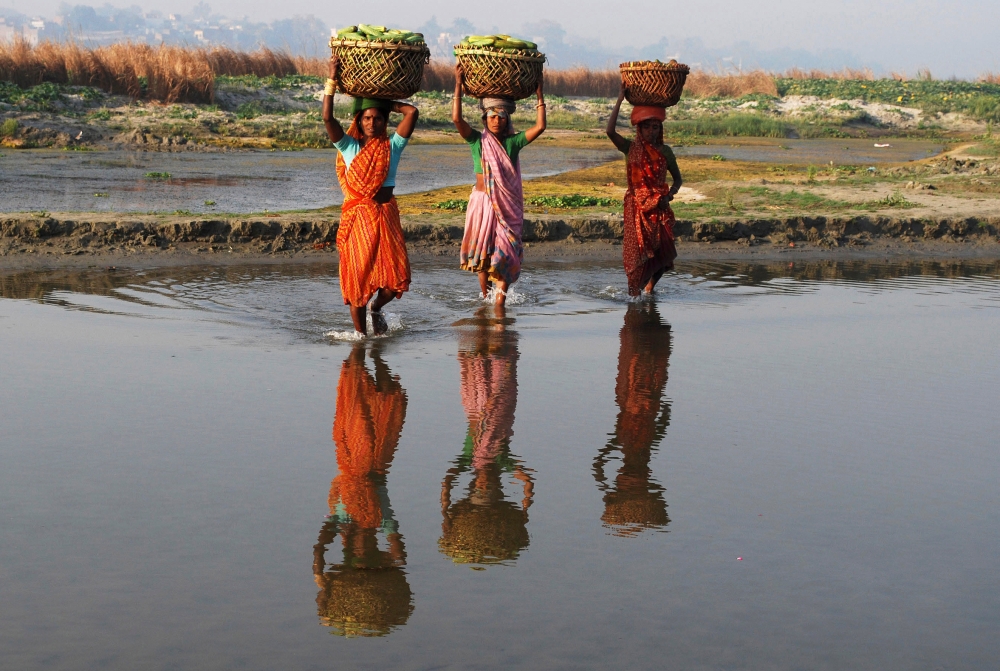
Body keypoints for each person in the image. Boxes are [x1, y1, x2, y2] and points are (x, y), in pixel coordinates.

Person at [312, 344, 413, 636]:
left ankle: (357, 358)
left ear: (348, 553)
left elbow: (318, 549)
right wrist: (390, 565)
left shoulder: (342, 520)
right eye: (366, 551)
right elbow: (400, 552)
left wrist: (322, 580)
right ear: (373, 549)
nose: (360, 547)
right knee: (386, 402)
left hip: (350, 460)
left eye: (356, 552)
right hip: (376, 461)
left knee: (356, 408)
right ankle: (374, 355)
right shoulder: (380, 519)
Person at [323, 55, 419, 335]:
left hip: (386, 215)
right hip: (358, 219)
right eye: (367, 117)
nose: (372, 122)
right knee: (358, 279)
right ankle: (361, 336)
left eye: (378, 118)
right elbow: (327, 118)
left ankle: (376, 308)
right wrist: (331, 79)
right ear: (359, 120)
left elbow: (411, 113)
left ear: (385, 121)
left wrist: (384, 101)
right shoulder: (349, 147)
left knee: (396, 280)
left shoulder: (393, 146)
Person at [439, 306, 534, 566]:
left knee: (476, 368)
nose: (483, 484)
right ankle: (496, 319)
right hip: (501, 409)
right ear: (496, 487)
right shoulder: (502, 461)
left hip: (474, 407)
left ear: (472, 487)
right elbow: (528, 481)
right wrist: (525, 511)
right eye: (488, 488)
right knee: (501, 371)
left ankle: (482, 320)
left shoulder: (469, 459)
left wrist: (446, 514)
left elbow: (447, 480)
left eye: (478, 488)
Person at [451, 65, 547, 304]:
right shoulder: (477, 141)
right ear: (485, 119)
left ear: (506, 120)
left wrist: (539, 95)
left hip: (505, 207)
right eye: (491, 116)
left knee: (504, 251)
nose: (495, 120)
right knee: (483, 252)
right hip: (482, 204)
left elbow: (540, 127)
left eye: (500, 117)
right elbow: (456, 119)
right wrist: (458, 85)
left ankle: (499, 302)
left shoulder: (512, 144)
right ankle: (485, 297)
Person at [593, 303, 672, 537]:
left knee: (640, 365)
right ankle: (645, 318)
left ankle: (644, 319)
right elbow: (597, 466)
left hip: (639, 404)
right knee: (640, 365)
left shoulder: (631, 449)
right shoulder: (634, 451)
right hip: (641, 405)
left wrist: (607, 488)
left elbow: (598, 465)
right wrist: (606, 488)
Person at [606, 83, 683, 296]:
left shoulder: (665, 152)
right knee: (638, 251)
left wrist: (670, 195)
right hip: (637, 208)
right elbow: (609, 131)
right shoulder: (631, 148)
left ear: (660, 129)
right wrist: (620, 99)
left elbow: (678, 179)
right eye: (647, 126)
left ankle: (650, 288)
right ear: (639, 128)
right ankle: (636, 290)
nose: (651, 131)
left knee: (665, 252)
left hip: (659, 207)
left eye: (655, 127)